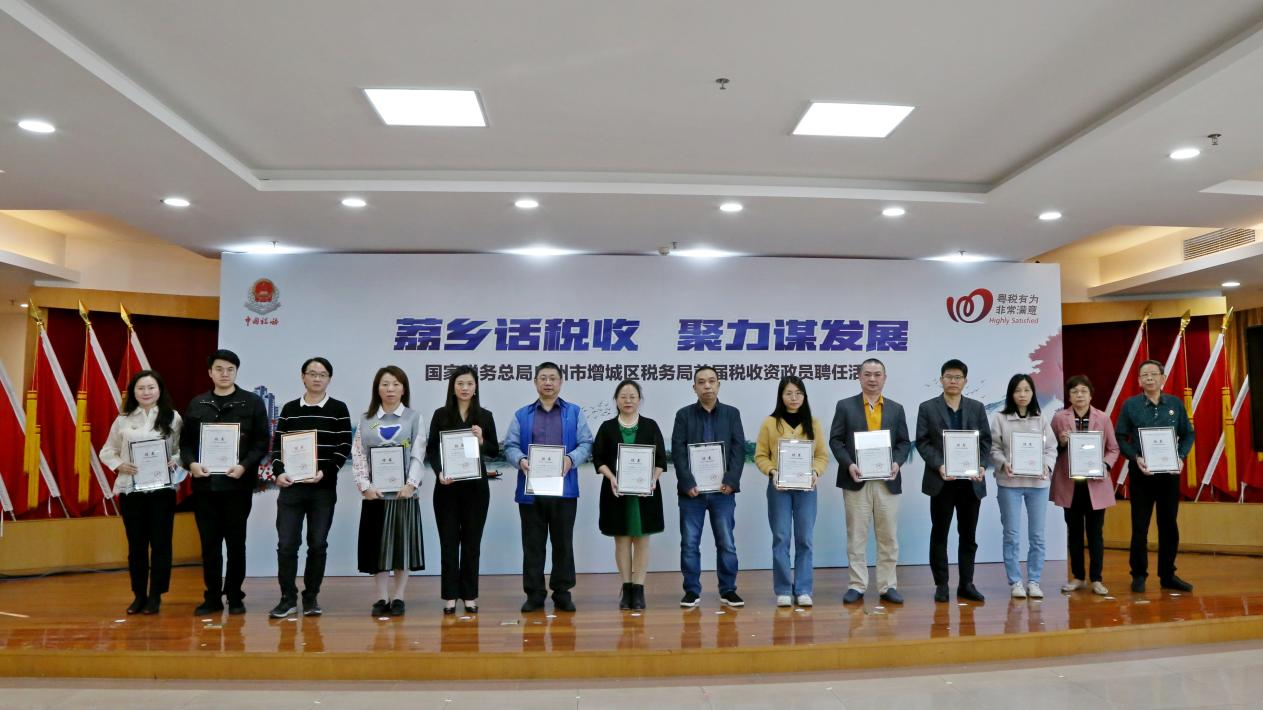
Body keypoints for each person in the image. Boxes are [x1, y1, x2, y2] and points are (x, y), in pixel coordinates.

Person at [180, 349, 270, 616]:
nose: (225, 374)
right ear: (210, 372)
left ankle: (234, 595)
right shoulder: (198, 403)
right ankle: (212, 597)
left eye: (230, 369)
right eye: (219, 369)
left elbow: (261, 442)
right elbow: (185, 444)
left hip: (237, 486)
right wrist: (191, 464)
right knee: (209, 545)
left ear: (236, 372)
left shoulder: (252, 402)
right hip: (205, 487)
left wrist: (244, 466)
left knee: (235, 544)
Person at [504, 362, 594, 613]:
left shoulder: (574, 412)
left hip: (564, 491)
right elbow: (510, 446)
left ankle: (562, 593)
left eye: (553, 378)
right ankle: (534, 594)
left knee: (563, 544)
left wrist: (571, 459)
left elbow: (586, 443)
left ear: (560, 382)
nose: (548, 383)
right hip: (531, 493)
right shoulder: (522, 415)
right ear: (535, 382)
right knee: (533, 545)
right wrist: (520, 460)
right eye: (543, 378)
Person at [267, 357, 352, 619]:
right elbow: (277, 447)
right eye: (312, 373)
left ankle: (311, 596)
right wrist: (279, 472)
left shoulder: (338, 408)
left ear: (329, 379)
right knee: (286, 544)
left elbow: (344, 447)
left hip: (322, 489)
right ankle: (287, 598)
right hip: (291, 488)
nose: (317, 378)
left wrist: (325, 472)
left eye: (322, 374)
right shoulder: (290, 409)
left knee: (317, 544)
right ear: (302, 376)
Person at [99, 370, 184, 615]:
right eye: (141, 388)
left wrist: (175, 461)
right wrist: (119, 465)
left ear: (159, 390)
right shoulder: (123, 420)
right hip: (132, 490)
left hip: (162, 490)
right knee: (136, 545)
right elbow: (107, 451)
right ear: (133, 392)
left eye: (151, 387)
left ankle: (156, 595)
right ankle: (139, 595)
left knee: (161, 544)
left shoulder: (173, 417)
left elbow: (182, 449)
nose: (146, 392)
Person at [828, 358, 911, 605]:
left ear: (884, 378)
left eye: (877, 374)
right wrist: (849, 464)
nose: (872, 379)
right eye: (867, 374)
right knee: (856, 536)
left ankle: (888, 586)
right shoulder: (845, 406)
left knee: (888, 537)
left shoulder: (896, 408)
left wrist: (897, 463)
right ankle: (857, 585)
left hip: (888, 481)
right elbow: (835, 441)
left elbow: (904, 443)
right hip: (856, 479)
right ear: (859, 376)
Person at [1115, 359, 1195, 593]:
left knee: (1168, 525)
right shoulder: (1130, 405)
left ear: (1163, 378)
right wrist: (1135, 457)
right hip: (1141, 473)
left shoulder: (1175, 404)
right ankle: (1139, 574)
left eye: (1153, 374)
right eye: (1144, 375)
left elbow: (1188, 434)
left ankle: (1168, 575)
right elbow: (1120, 436)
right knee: (1140, 526)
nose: (1149, 378)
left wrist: (1181, 457)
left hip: (1169, 474)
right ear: (1139, 381)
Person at [423, 365, 499, 615]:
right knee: (448, 543)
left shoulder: (484, 416)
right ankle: (449, 596)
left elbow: (494, 451)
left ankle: (469, 595)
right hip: (447, 489)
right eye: (460, 383)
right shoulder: (441, 414)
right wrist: (439, 472)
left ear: (476, 387)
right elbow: (432, 449)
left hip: (476, 490)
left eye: (469, 383)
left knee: (471, 544)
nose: (465, 388)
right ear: (452, 387)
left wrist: (482, 440)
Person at [351, 365, 425, 616]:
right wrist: (365, 486)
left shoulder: (413, 417)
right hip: (376, 495)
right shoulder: (366, 419)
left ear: (404, 389)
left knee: (402, 548)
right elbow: (358, 455)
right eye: (385, 384)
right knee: (377, 549)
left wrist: (411, 484)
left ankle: (399, 596)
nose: (390, 389)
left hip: (404, 494)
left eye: (395, 384)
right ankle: (381, 597)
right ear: (377, 389)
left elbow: (418, 453)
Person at [916, 358, 992, 603]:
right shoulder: (927, 408)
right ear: (941, 380)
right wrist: (940, 465)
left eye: (958, 377)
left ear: (965, 381)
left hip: (971, 483)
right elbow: (923, 442)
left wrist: (981, 465)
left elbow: (986, 442)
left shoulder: (977, 408)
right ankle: (941, 584)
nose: (953, 381)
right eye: (948, 376)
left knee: (968, 535)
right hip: (941, 482)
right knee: (940, 534)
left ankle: (966, 584)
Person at [670, 365, 747, 609]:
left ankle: (728, 590)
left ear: (718, 385)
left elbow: (738, 449)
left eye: (712, 381)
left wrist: (731, 481)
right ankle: (691, 591)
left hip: (722, 491)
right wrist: (687, 482)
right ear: (694, 387)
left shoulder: (731, 414)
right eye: (701, 382)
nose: (707, 386)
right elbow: (678, 451)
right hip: (691, 494)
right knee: (690, 543)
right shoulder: (683, 415)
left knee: (726, 543)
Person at [592, 380, 668, 610]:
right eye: (623, 396)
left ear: (639, 400)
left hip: (646, 494)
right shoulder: (607, 427)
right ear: (616, 400)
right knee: (622, 540)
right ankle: (626, 589)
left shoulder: (650, 426)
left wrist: (653, 479)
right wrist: (611, 477)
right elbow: (598, 459)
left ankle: (639, 589)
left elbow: (661, 460)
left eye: (632, 397)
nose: (628, 400)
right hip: (616, 492)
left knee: (642, 540)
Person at [754, 376, 828, 608]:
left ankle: (804, 589)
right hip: (779, 489)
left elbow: (822, 456)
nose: (794, 397)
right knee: (781, 538)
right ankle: (784, 589)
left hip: (807, 489)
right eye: (788, 393)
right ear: (781, 396)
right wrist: (773, 471)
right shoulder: (770, 423)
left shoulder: (813, 423)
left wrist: (815, 472)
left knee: (805, 539)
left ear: (804, 396)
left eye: (798, 393)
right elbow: (760, 455)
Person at [1050, 375, 1120, 595]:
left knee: (1095, 533)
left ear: (1091, 395)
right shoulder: (1059, 418)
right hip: (1070, 485)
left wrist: (1105, 465)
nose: (1079, 395)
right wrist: (1061, 443)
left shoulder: (1103, 418)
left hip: (1095, 484)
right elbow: (1050, 449)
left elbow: (1113, 449)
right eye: (1074, 392)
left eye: (1083, 391)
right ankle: (1078, 577)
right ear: (1069, 396)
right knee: (1074, 532)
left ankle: (1096, 579)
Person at [989, 374, 1057, 599]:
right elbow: (994, 448)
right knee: (1012, 535)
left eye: (1027, 390)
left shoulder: (1041, 418)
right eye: (1018, 390)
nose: (1022, 394)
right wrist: (1003, 463)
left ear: (1032, 393)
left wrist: (1047, 466)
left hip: (1038, 484)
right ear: (1011, 394)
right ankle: (1015, 581)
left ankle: (1034, 581)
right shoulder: (1000, 418)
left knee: (1037, 536)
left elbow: (1051, 449)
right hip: (1009, 483)